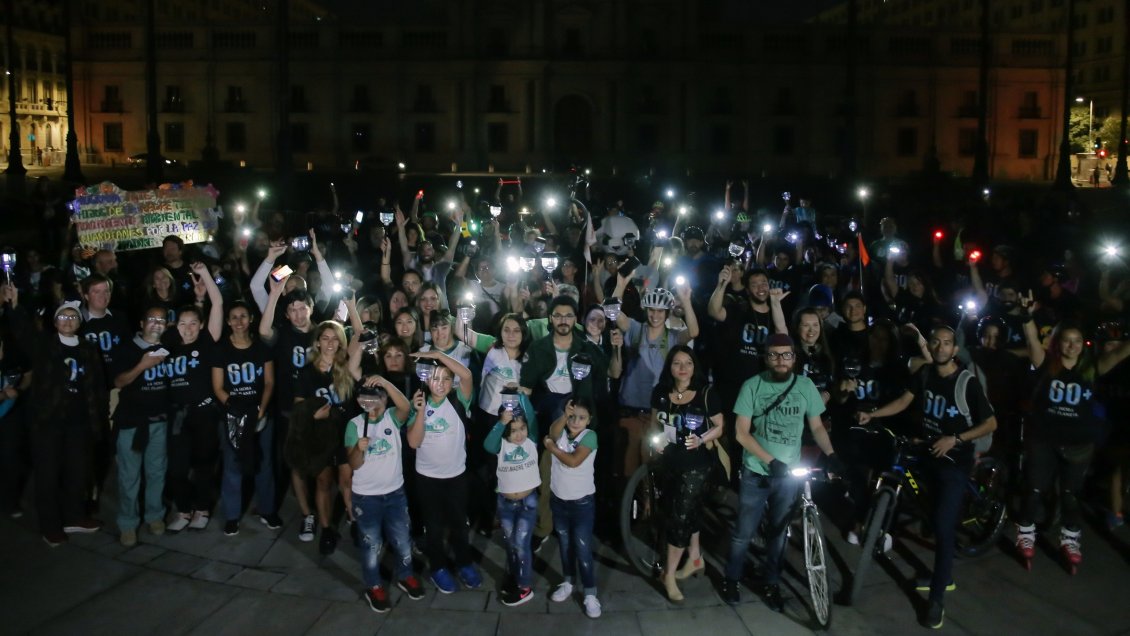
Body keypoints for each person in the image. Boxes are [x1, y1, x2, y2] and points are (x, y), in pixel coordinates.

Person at [857, 325, 998, 629]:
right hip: (928, 451)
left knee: (944, 528)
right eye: (935, 342)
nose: (941, 347)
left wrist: (956, 439)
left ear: (955, 350)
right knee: (925, 506)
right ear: (930, 346)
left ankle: (937, 597)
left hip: (953, 459)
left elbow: (990, 423)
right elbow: (905, 401)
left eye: (947, 343)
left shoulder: (966, 382)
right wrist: (875, 414)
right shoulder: (924, 374)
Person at [723, 334, 840, 610]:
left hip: (787, 475)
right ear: (765, 358)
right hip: (756, 471)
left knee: (779, 532)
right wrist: (769, 460)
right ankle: (731, 578)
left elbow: (817, 427)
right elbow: (740, 432)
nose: (780, 360)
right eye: (774, 355)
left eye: (786, 355)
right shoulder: (752, 386)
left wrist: (831, 454)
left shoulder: (805, 387)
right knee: (743, 531)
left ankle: (771, 582)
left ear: (794, 358)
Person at [1013, 298, 1130, 573]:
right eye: (1067, 340)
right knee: (1034, 491)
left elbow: (1122, 352)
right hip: (1044, 440)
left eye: (1077, 341)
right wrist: (1027, 317)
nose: (1072, 346)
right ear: (1058, 342)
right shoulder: (1046, 363)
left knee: (1070, 496)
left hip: (1078, 445)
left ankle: (1070, 539)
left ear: (1083, 343)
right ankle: (1026, 534)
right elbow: (1031, 342)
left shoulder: (1092, 367)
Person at [3, 289, 107, 546]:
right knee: (48, 475)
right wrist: (15, 305)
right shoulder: (45, 345)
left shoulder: (88, 348)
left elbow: (97, 387)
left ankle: (74, 516)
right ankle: (50, 526)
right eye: (63, 317)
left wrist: (100, 419)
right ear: (55, 322)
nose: (68, 321)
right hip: (48, 423)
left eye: (73, 317)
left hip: (79, 423)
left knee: (78, 471)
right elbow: (25, 334)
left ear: (79, 322)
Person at [650, 346, 725, 603]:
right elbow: (655, 423)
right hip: (668, 462)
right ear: (669, 367)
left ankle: (668, 574)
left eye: (688, 363)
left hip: (697, 465)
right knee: (684, 509)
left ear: (695, 367)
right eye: (677, 363)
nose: (682, 368)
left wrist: (701, 438)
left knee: (680, 517)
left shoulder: (705, 393)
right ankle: (695, 558)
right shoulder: (661, 392)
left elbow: (720, 425)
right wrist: (656, 440)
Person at [405, 349, 483, 593]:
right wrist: (418, 413)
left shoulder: (459, 399)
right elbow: (414, 442)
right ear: (427, 379)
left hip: (456, 475)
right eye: (435, 378)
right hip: (427, 478)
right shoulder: (419, 403)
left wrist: (438, 354)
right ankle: (438, 567)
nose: (440, 383)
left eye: (446, 378)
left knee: (460, 523)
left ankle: (464, 563)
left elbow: (467, 375)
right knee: (434, 526)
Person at [347, 377, 425, 613]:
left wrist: (385, 381)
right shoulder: (354, 425)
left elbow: (406, 408)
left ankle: (406, 575)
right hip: (366, 497)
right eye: (365, 397)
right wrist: (357, 449)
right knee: (371, 546)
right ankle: (373, 586)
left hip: (395, 493)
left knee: (402, 539)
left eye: (377, 395)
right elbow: (354, 464)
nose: (371, 401)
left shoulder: (392, 416)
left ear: (384, 398)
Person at [164, 263, 224, 532]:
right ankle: (184, 509)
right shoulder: (170, 344)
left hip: (204, 414)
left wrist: (206, 277)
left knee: (203, 465)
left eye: (193, 324)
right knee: (176, 468)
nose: (187, 329)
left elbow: (219, 303)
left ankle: (201, 509)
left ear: (200, 326)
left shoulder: (206, 342)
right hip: (177, 414)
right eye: (182, 324)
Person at [212, 301, 280, 535]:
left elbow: (270, 382)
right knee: (232, 465)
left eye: (243, 316)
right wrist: (236, 411)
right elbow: (218, 387)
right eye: (234, 317)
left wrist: (261, 409)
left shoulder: (261, 347)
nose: (239, 321)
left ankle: (267, 510)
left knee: (264, 464)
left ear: (250, 319)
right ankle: (232, 515)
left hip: (260, 413)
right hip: (233, 417)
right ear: (228, 321)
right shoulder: (221, 349)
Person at [289, 320, 356, 554]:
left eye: (335, 338)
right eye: (325, 338)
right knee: (323, 482)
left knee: (348, 482)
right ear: (317, 342)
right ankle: (327, 528)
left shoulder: (347, 367)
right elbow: (298, 408)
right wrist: (313, 415)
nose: (330, 343)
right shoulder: (306, 372)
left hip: (345, 434)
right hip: (320, 436)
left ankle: (355, 522)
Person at [110, 305, 173, 546]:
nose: (156, 323)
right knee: (129, 475)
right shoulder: (127, 348)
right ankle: (128, 522)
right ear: (141, 323)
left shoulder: (168, 348)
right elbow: (119, 381)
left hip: (159, 421)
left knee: (156, 472)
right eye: (151, 319)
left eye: (161, 320)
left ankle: (154, 516)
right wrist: (141, 366)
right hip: (131, 423)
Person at [543, 398, 602, 619]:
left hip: (582, 504)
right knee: (565, 544)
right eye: (572, 417)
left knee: (583, 548)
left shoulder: (590, 437)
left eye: (581, 417)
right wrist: (563, 416)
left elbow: (574, 461)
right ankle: (568, 582)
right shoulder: (562, 432)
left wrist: (550, 447)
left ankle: (590, 593)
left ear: (590, 420)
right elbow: (552, 430)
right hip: (559, 500)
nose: (576, 421)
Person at [484, 404, 541, 607]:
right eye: (513, 430)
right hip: (506, 503)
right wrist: (502, 422)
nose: (519, 435)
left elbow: (532, 419)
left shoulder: (531, 441)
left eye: (522, 429)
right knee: (510, 543)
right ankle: (515, 575)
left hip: (528, 503)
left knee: (521, 544)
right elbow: (488, 445)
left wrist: (522, 396)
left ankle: (525, 588)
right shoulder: (501, 445)